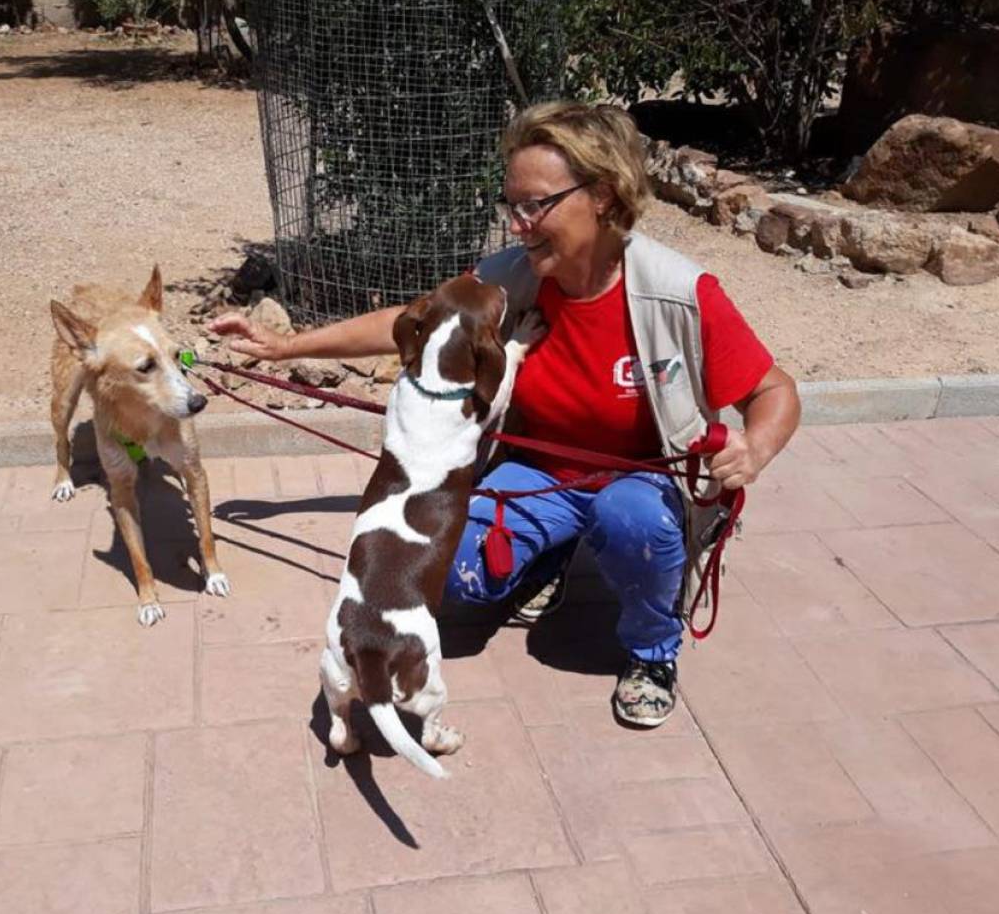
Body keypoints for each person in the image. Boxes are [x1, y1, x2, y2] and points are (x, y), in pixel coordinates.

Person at [209, 101, 800, 728]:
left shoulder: (677, 291)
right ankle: (548, 558)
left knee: (630, 521)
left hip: (638, 479)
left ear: (602, 195)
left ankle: (652, 653)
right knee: (450, 576)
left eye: (536, 205)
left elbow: (775, 391)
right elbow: (412, 322)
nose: (519, 225)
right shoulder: (513, 279)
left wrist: (755, 448)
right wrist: (285, 346)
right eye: (512, 205)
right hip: (539, 473)